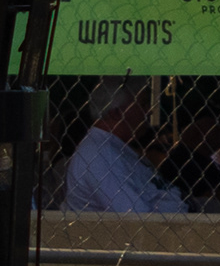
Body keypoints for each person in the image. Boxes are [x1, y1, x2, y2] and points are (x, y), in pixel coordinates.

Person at [60, 78, 190, 215]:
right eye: (143, 104)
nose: (149, 111)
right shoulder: (99, 154)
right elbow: (136, 217)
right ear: (116, 113)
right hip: (168, 230)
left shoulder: (113, 147)